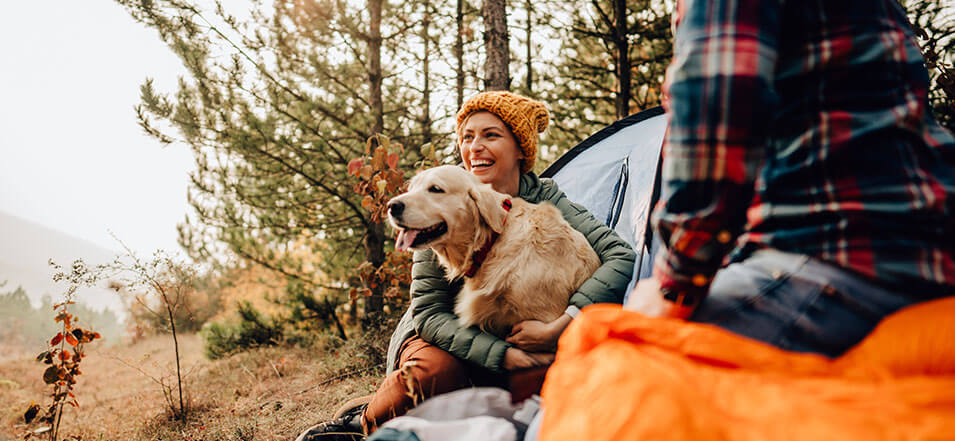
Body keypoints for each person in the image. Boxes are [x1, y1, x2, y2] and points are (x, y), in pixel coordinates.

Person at [297, 91, 636, 441]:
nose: (474, 147)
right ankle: (363, 424)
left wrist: (564, 323)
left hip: (520, 336)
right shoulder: (441, 198)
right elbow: (429, 313)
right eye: (467, 137)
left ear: (520, 148)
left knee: (542, 386)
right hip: (443, 336)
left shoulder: (546, 199)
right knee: (436, 373)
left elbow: (622, 257)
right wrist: (500, 356)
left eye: (491, 135)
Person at [628, 0, 955, 357]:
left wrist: (673, 285)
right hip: (929, 248)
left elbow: (718, 102)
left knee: (621, 358)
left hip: (836, 251)